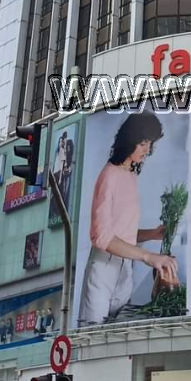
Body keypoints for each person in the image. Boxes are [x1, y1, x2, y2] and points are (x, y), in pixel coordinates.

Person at [78, 113, 177, 324]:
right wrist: (148, 257)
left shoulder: (130, 176)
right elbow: (102, 237)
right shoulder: (109, 176)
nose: (147, 150)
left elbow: (122, 232)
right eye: (143, 143)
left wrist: (152, 234)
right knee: (92, 336)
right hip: (103, 267)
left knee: (118, 336)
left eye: (149, 144)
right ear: (129, 140)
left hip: (126, 268)